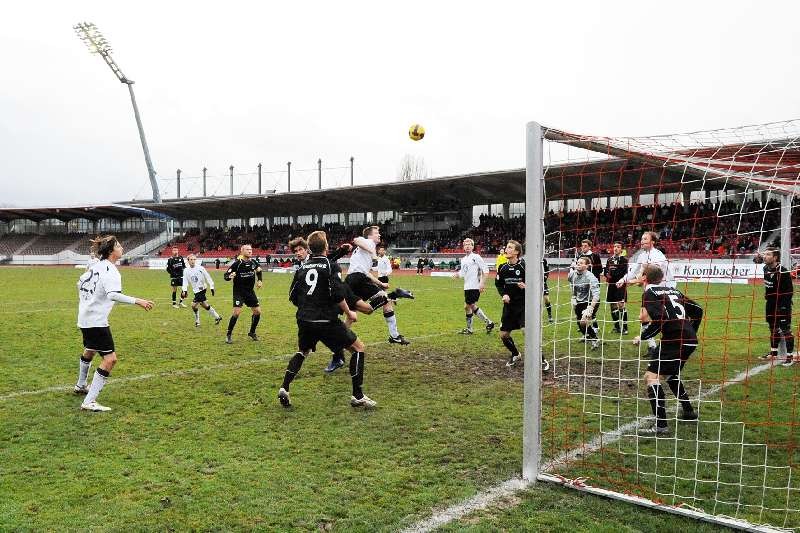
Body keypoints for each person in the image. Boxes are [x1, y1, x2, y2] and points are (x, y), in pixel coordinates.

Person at [279, 231, 376, 409]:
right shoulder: (331, 266)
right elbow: (338, 294)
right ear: (326, 246)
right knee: (358, 348)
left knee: (302, 351)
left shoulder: (302, 269)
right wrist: (349, 313)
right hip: (325, 320)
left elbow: (292, 296)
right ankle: (357, 395)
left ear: (309, 249)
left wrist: (307, 305)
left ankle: (284, 387)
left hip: (304, 319)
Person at [75, 235, 154, 412]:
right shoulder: (111, 270)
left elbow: (79, 283)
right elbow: (112, 295)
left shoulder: (95, 266)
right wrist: (138, 301)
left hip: (84, 318)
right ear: (111, 251)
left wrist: (87, 302)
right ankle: (89, 401)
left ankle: (80, 385)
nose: (122, 248)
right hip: (96, 321)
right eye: (118, 246)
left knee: (90, 350)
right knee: (110, 359)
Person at [634, 264, 703, 436]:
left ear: (644, 277)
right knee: (671, 374)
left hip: (674, 340)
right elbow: (698, 310)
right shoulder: (673, 290)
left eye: (640, 273)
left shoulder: (649, 293)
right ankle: (688, 411)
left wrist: (642, 336)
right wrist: (691, 331)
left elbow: (661, 319)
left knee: (651, 377)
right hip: (689, 340)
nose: (637, 275)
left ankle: (661, 426)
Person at [346, 226, 414, 345]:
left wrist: (381, 283)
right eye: (377, 233)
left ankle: (340, 342)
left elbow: (366, 273)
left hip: (352, 280)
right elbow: (356, 240)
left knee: (352, 316)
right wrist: (372, 252)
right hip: (358, 279)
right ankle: (395, 294)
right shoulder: (369, 242)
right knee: (384, 299)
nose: (379, 235)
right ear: (369, 236)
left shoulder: (364, 251)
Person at [617, 231, 674, 353]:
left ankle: (669, 344)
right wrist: (623, 280)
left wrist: (635, 280)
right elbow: (633, 271)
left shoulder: (658, 255)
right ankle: (652, 346)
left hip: (664, 291)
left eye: (645, 239)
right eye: (642, 239)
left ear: (652, 242)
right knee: (643, 317)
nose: (642, 241)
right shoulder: (642, 255)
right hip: (650, 291)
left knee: (664, 320)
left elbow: (651, 274)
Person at [495, 240, 548, 370]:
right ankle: (515, 354)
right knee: (503, 335)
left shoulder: (524, 266)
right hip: (509, 307)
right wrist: (504, 294)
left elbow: (538, 283)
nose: (506, 249)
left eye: (510, 247)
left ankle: (541, 359)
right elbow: (499, 284)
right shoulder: (502, 267)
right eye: (506, 247)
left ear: (517, 252)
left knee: (527, 331)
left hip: (524, 305)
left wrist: (527, 286)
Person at [760, 247, 795, 367]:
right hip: (770, 303)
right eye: (764, 254)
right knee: (772, 328)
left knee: (785, 330)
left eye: (768, 255)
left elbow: (789, 291)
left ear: (775, 257)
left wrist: (784, 306)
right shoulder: (765, 268)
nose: (765, 256)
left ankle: (789, 357)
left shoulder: (783, 271)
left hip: (782, 305)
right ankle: (773, 353)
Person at [453, 238, 495, 334]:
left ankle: (476, 327)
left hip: (475, 286)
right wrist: (458, 274)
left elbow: (485, 270)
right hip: (467, 286)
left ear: (473, 247)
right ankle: (488, 323)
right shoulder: (463, 259)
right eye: (465, 245)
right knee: (469, 306)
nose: (467, 246)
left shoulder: (476, 257)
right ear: (463, 247)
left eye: (469, 244)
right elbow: (463, 272)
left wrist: (482, 283)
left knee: (468, 306)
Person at [223, 244, 263, 344]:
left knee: (257, 312)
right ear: (242, 251)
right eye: (247, 249)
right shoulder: (237, 264)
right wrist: (230, 276)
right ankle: (228, 334)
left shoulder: (253, 262)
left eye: (251, 249)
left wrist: (260, 280)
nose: (250, 251)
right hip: (239, 292)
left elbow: (259, 270)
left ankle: (252, 332)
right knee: (236, 313)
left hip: (250, 292)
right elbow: (226, 275)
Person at [181, 254, 222, 327]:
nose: (193, 261)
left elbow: (208, 276)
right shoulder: (186, 270)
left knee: (193, 305)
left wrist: (211, 287)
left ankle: (197, 321)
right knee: (204, 305)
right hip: (195, 290)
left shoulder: (200, 268)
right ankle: (217, 317)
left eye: (194, 259)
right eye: (191, 259)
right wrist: (185, 290)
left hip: (202, 289)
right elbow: (185, 281)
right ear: (188, 261)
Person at [568, 256, 600, 350]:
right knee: (579, 322)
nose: (578, 264)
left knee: (583, 321)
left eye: (581, 263)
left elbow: (596, 295)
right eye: (578, 262)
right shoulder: (572, 275)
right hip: (579, 301)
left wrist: (591, 308)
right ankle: (587, 336)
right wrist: (573, 297)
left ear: (587, 266)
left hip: (591, 301)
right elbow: (572, 285)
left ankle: (595, 339)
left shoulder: (591, 277)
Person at [604, 241, 629, 334]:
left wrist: (612, 274)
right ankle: (617, 327)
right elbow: (606, 270)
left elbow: (624, 272)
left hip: (620, 285)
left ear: (621, 249)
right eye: (615, 246)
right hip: (611, 285)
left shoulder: (624, 260)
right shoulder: (609, 259)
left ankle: (625, 328)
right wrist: (607, 275)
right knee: (612, 305)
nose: (616, 248)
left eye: (618, 247)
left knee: (621, 305)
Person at [542, 258, 553, 324]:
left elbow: (547, 270)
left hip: (542, 282)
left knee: (546, 299)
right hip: (533, 283)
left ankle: (550, 315)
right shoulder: (532, 260)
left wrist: (545, 277)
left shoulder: (544, 260)